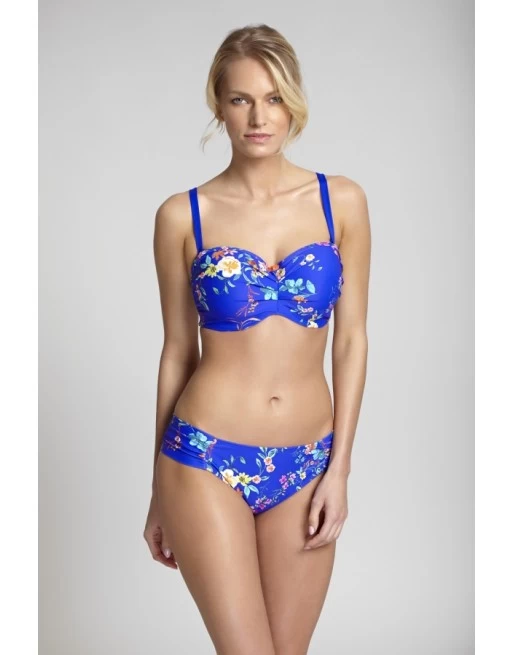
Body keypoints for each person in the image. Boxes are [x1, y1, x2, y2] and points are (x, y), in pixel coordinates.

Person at [144, 23, 371, 655]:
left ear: (293, 102)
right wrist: (158, 491)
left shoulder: (341, 202)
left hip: (307, 463)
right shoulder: (182, 215)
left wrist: (340, 469)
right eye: (240, 99)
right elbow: (176, 353)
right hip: (203, 459)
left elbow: (351, 341)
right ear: (219, 105)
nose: (258, 116)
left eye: (273, 98)